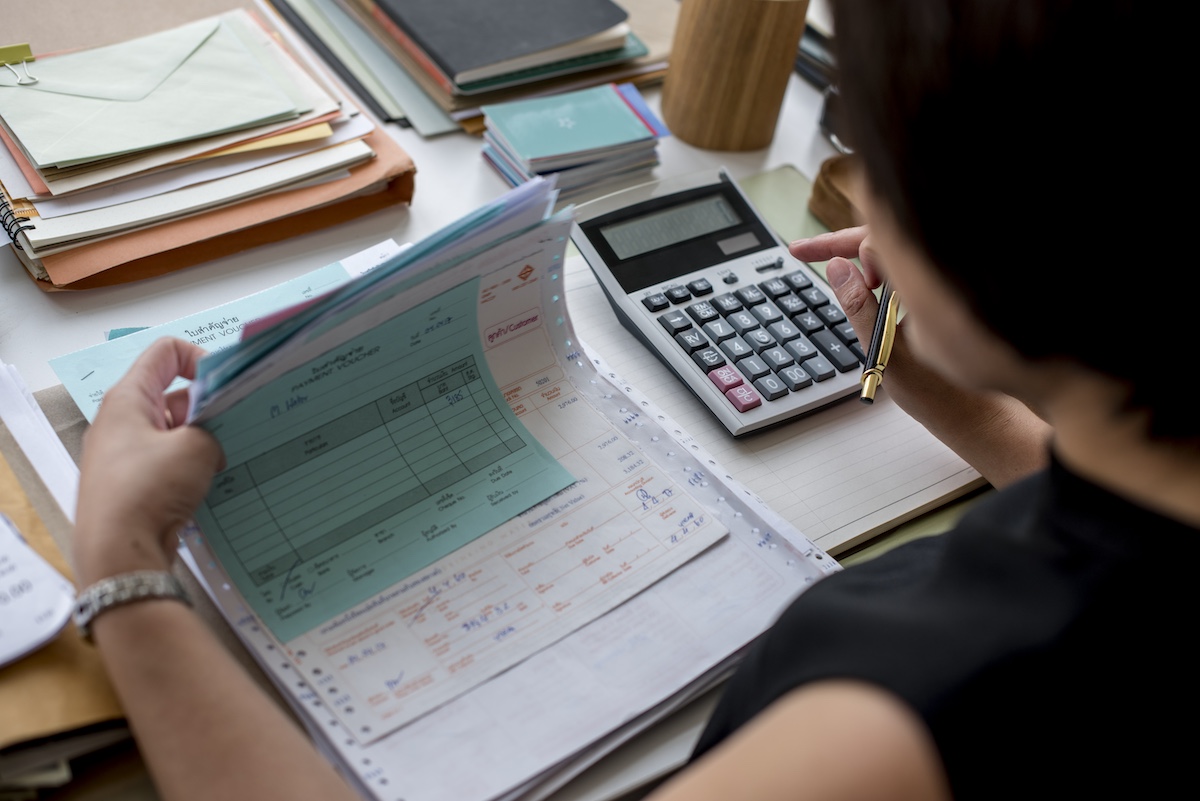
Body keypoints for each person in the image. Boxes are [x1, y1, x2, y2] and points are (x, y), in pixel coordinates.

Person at [72, 0, 1195, 799]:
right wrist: (988, 408)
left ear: (984, 228)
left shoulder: (909, 718)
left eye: (864, 137)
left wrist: (123, 566)